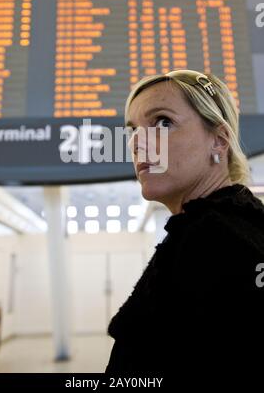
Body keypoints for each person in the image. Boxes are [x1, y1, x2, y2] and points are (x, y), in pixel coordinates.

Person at [104, 70, 264, 379]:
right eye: (133, 130)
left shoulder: (213, 241)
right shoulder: (231, 226)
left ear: (218, 141)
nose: (138, 142)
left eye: (163, 123)